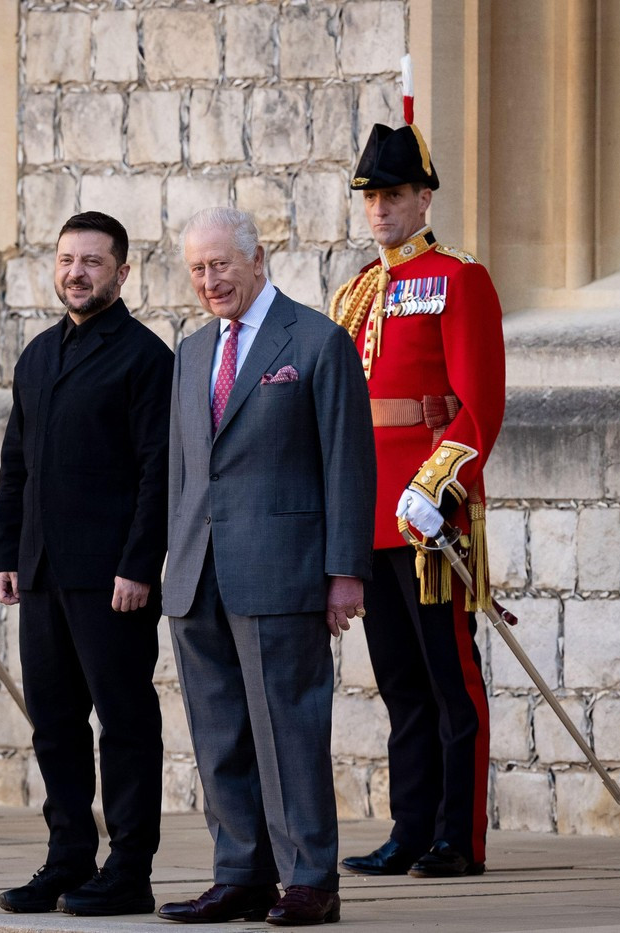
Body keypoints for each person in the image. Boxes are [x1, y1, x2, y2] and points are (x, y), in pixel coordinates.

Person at [157, 207, 375, 927]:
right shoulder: (190, 352)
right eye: (197, 268)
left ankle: (309, 877)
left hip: (283, 572)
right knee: (218, 734)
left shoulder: (317, 341)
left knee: (289, 732)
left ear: (257, 258)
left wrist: (345, 571)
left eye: (221, 264)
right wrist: (171, 560)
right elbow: (184, 472)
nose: (210, 279)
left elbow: (349, 463)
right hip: (199, 573)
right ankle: (239, 873)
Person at [328, 90, 505, 878]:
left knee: (448, 676)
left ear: (424, 197)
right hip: (371, 509)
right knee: (398, 680)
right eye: (371, 196)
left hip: (429, 509)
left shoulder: (457, 277)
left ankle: (455, 835)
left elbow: (479, 404)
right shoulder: (359, 289)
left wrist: (438, 484)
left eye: (393, 195)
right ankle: (408, 826)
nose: (381, 210)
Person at [0, 212, 172, 916]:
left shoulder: (146, 358)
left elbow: (159, 472)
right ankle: (68, 856)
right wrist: (7, 551)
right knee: (55, 724)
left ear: (121, 273)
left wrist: (138, 565)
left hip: (113, 581)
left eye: (93, 261)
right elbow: (16, 466)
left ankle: (129, 866)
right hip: (41, 573)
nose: (77, 272)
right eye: (68, 259)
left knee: (125, 722)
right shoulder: (36, 355)